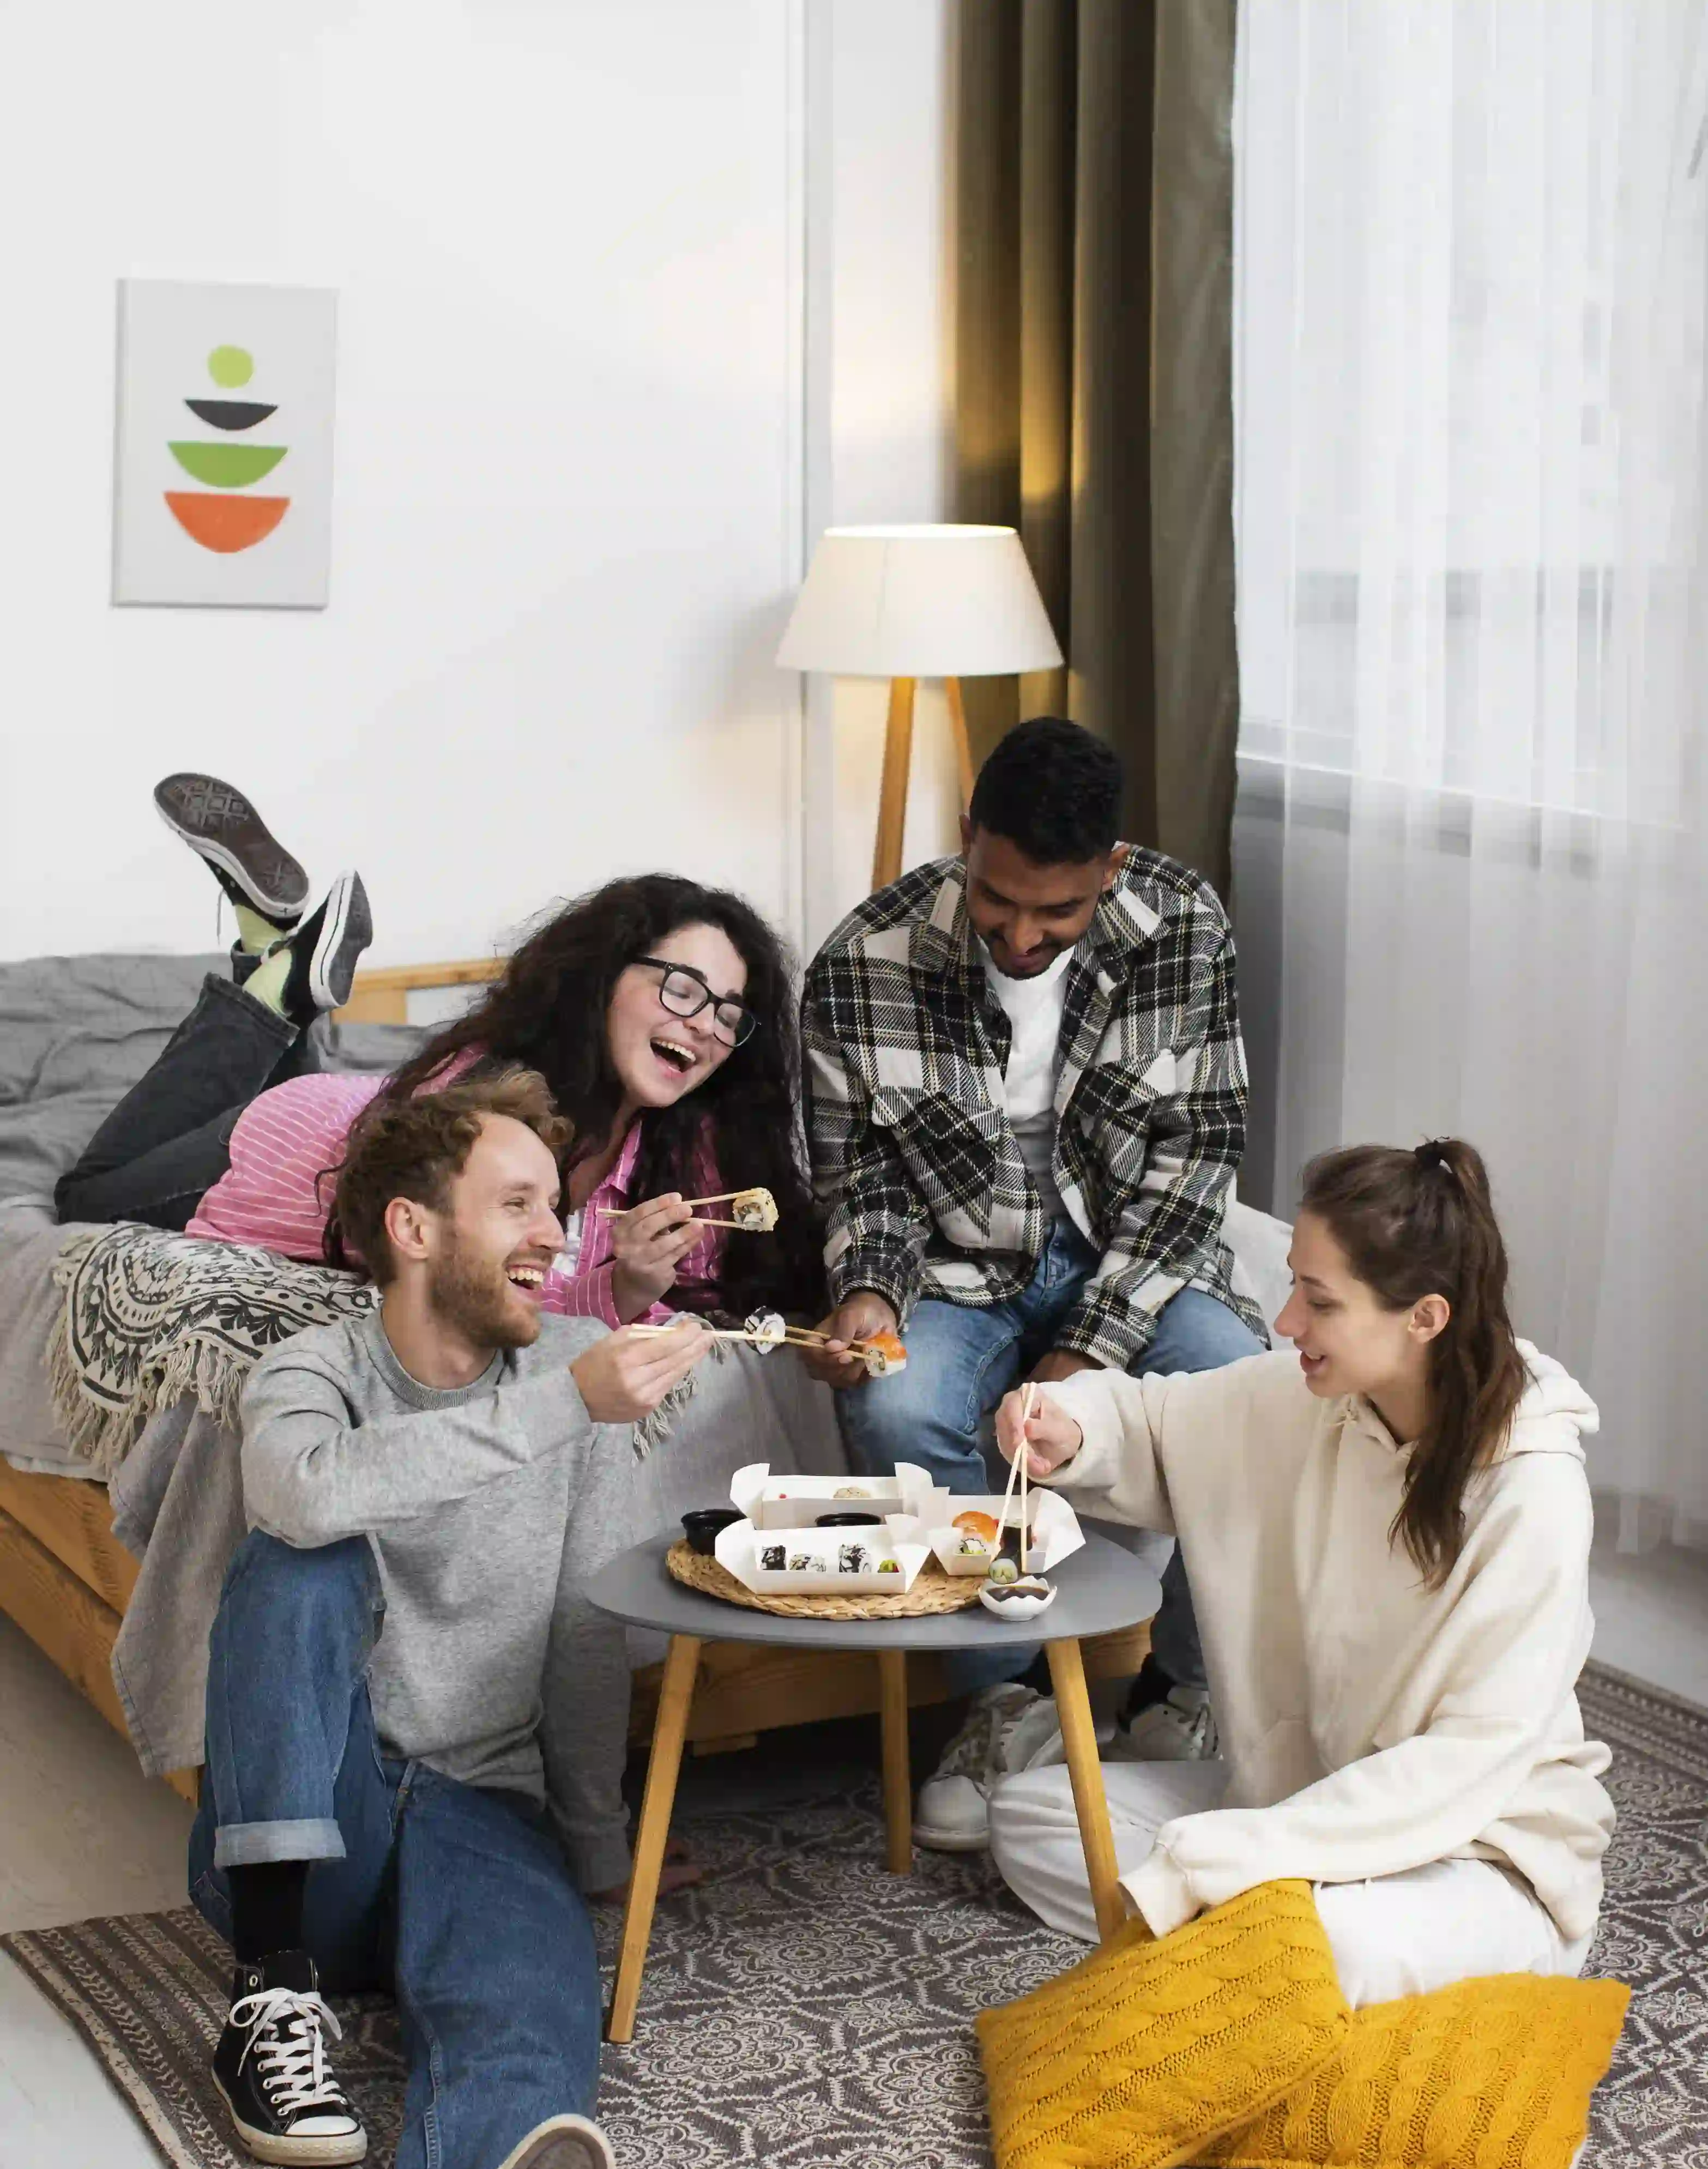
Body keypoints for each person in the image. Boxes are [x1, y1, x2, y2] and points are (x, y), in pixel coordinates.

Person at [188, 1070, 711, 2169]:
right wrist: (561, 1405)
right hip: (326, 1822)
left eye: (561, 1206)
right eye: (521, 1207)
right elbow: (300, 1495)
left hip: (483, 1800)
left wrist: (594, 1852)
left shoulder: (576, 1391)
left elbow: (589, 1637)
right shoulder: (314, 1372)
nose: (561, 1238)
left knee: (533, 2005)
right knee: (292, 1561)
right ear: (415, 1230)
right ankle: (274, 1993)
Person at [985, 1139, 1615, 2009]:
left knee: (1338, 1941)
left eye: (1318, 1301)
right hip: (1302, 1800)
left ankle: (1252, 1947)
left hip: (1472, 1855)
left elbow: (1463, 1765)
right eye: (1293, 1286)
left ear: (1424, 1317)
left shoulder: (1533, 1488)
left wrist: (1240, 1854)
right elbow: (1160, 1422)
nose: (1286, 1321)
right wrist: (1071, 1425)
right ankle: (1253, 1954)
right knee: (1035, 1814)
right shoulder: (1312, 1398)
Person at [800, 716, 1266, 1853]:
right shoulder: (865, 958)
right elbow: (863, 1174)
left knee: (1239, 1386)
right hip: (960, 1270)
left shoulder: (1183, 928)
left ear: (1109, 871)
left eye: (1055, 913)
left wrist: (1085, 1355)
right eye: (998, 896)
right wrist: (867, 1290)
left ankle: (1189, 1694)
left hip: (1134, 1255)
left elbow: (1195, 1161)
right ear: (968, 838)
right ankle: (1005, 1703)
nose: (1020, 933)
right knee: (898, 1402)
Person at [56, 774, 822, 1328]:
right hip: (297, 1153)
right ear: (603, 978)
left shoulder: (688, 1151)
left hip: (365, 1119)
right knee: (86, 1198)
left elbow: (719, 1278)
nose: (704, 1025)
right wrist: (614, 1293)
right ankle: (279, 988)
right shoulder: (490, 1099)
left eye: (730, 1013)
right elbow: (451, 1286)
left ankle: (269, 941)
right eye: (682, 988)